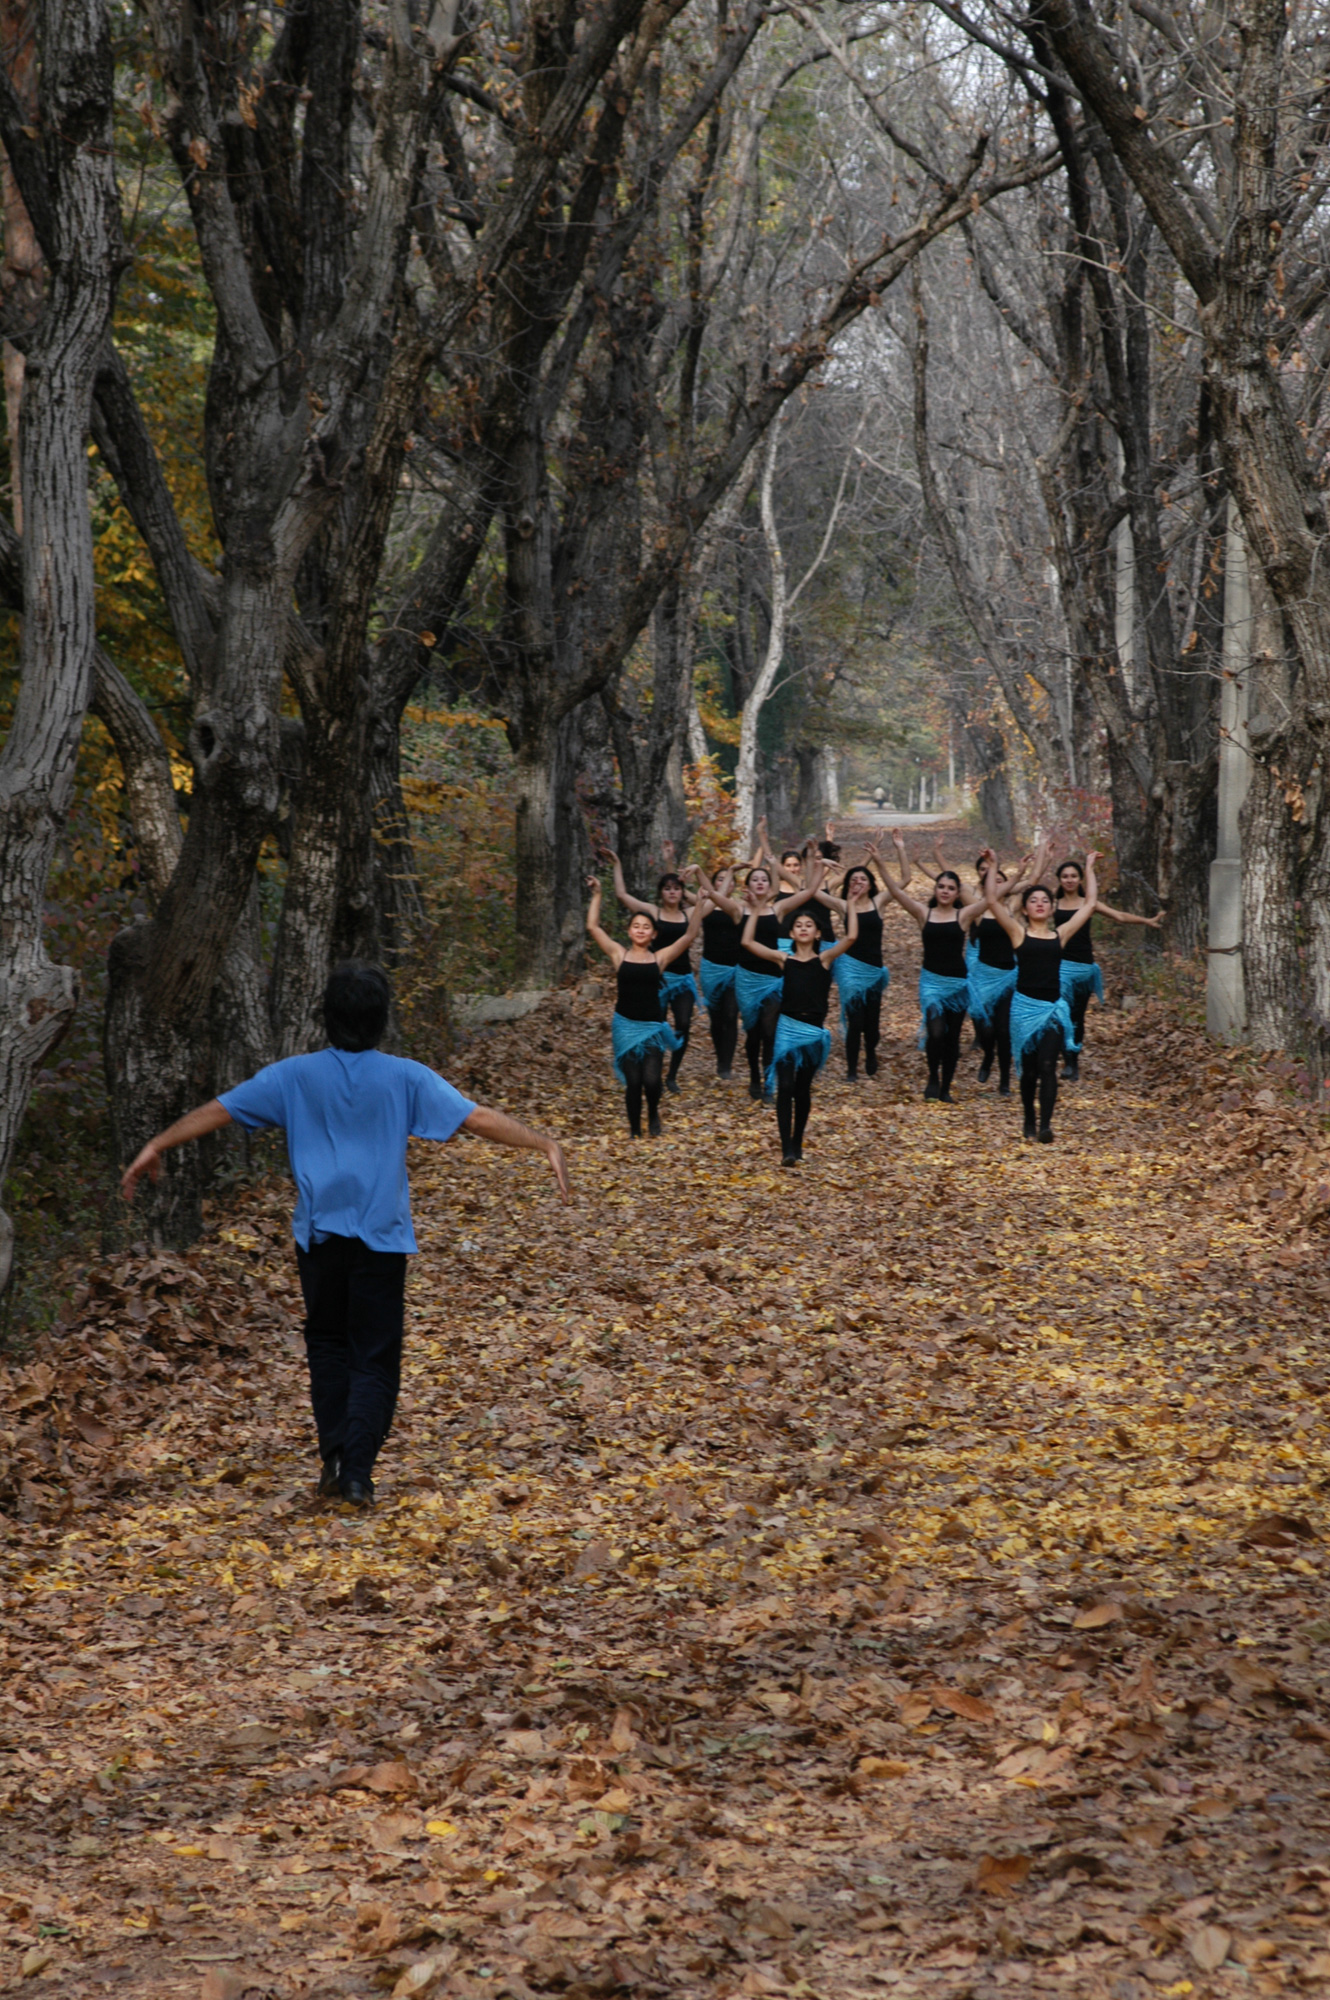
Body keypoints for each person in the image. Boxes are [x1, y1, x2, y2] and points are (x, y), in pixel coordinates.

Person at [120, 963, 570, 1508]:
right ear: (382, 1020)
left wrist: (158, 1144)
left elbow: (221, 1110)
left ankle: (335, 1457)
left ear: (326, 1018)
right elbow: (475, 1119)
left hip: (319, 1239)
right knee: (374, 1357)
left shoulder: (294, 1076)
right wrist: (542, 1144)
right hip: (381, 1239)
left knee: (329, 1345)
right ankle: (356, 1471)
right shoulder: (404, 1076)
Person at [981, 850, 1099, 1141]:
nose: (1040, 904)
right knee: (1030, 1070)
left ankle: (1046, 1125)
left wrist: (1089, 868)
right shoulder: (1018, 933)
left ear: (1052, 907)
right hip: (1023, 1010)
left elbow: (1091, 903)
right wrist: (994, 866)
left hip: (1054, 1010)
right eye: (1033, 900)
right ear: (1025, 909)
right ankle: (1029, 1120)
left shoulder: (1061, 934)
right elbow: (993, 901)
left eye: (1045, 900)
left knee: (1048, 1065)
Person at [740, 890, 859, 1164]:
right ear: (791, 934)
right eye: (798, 926)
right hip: (787, 1029)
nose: (803, 929)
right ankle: (786, 1150)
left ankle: (797, 1141)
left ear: (817, 933)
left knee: (802, 1090)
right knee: (786, 1086)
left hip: (813, 1032)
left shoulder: (825, 959)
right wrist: (757, 907)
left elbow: (851, 937)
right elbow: (747, 941)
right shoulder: (784, 961)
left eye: (809, 926)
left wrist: (850, 905)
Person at [586, 875, 702, 1135]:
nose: (640, 929)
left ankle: (653, 1114)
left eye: (645, 926)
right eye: (636, 926)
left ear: (653, 934)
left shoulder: (660, 958)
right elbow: (593, 927)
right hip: (625, 1025)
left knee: (651, 1081)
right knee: (633, 1082)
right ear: (629, 931)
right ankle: (635, 1131)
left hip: (652, 1026)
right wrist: (597, 895)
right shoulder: (619, 954)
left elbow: (691, 935)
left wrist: (702, 902)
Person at [881, 831, 987, 1101]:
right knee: (936, 1032)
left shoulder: (963, 916)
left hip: (958, 985)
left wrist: (995, 866)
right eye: (942, 887)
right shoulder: (922, 913)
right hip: (931, 983)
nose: (946, 891)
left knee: (952, 1039)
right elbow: (895, 890)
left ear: (957, 893)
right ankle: (932, 1076)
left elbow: (993, 899)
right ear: (935, 889)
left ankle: (946, 1088)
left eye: (951, 888)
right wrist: (888, 855)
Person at [707, 856, 819, 1101]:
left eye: (763, 879)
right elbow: (711, 894)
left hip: (772, 979)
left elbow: (809, 890)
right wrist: (722, 872)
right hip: (747, 979)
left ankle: (769, 1081)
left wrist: (816, 863)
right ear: (746, 885)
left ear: (770, 887)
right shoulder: (737, 910)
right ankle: (755, 1076)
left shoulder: (777, 909)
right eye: (755, 879)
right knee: (753, 1032)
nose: (759, 882)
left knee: (770, 1032)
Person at [1052, 858, 1165, 1080]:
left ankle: (1073, 1062)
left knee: (1077, 1017)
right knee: (1060, 1014)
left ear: (1080, 879)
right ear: (1059, 880)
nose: (1069, 880)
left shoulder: (1088, 904)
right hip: (1059, 968)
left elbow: (1119, 916)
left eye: (1073, 876)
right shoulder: (1052, 905)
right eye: (1065, 876)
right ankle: (1065, 1059)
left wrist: (1147, 921)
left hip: (1084, 968)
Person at [605, 851, 698, 1092]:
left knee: (684, 1023)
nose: (672, 892)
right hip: (654, 977)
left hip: (683, 979)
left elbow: (708, 904)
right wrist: (617, 864)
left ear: (682, 892)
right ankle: (652, 1064)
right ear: (660, 892)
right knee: (656, 1023)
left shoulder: (688, 913)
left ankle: (672, 1075)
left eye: (676, 888)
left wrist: (695, 875)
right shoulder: (651, 913)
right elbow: (622, 895)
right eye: (667, 888)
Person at [817, 851, 893, 1080]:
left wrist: (882, 858)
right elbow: (812, 892)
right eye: (853, 880)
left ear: (870, 885)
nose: (858, 882)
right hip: (849, 967)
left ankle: (870, 1052)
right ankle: (851, 1071)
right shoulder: (842, 905)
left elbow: (904, 881)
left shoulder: (878, 902)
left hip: (874, 969)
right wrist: (820, 864)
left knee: (872, 1026)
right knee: (855, 1021)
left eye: (863, 879)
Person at [692, 864, 744, 1079]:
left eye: (729, 879)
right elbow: (678, 891)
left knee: (731, 1015)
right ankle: (720, 1057)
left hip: (734, 969)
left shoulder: (739, 906)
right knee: (716, 1016)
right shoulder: (705, 906)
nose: (725, 883)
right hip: (711, 968)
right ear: (713, 884)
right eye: (720, 879)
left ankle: (726, 1065)